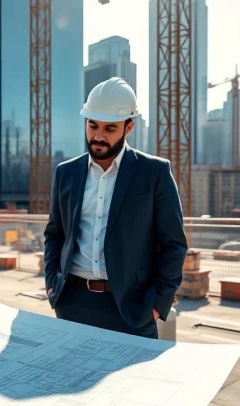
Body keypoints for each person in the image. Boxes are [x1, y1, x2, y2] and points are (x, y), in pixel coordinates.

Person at [43, 77, 187, 339]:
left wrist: (157, 304)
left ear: (128, 127)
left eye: (109, 128)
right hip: (72, 304)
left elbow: (173, 245)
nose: (98, 136)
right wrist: (53, 284)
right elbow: (55, 234)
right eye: (93, 125)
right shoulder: (66, 173)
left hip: (132, 309)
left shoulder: (154, 173)